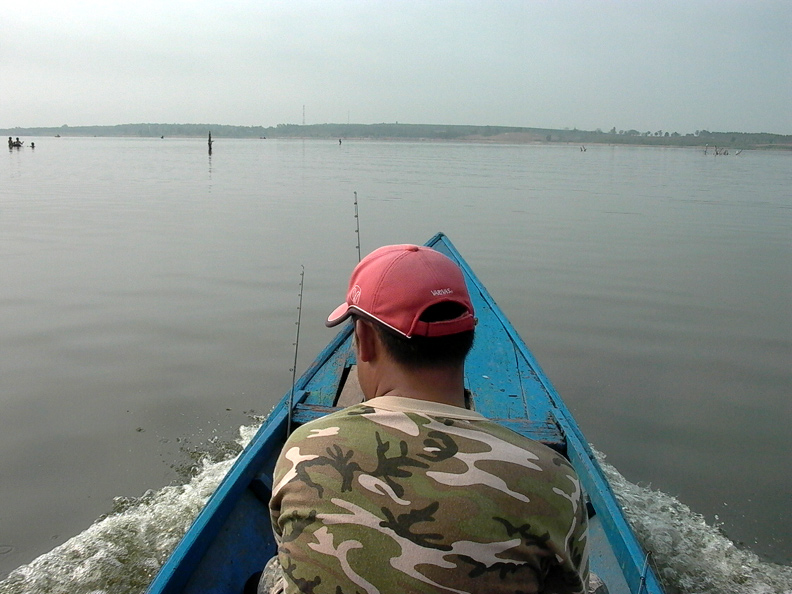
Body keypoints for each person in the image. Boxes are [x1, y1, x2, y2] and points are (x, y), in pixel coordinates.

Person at [266, 244, 590, 594]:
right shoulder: (554, 479)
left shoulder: (305, 450)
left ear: (363, 341)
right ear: (469, 337)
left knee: (273, 568)